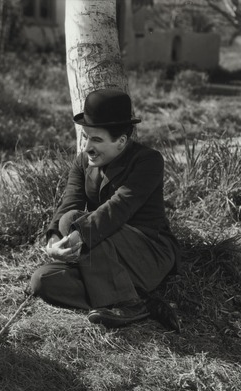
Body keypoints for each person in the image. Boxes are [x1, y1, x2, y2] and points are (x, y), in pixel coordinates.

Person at [30, 89, 180, 328]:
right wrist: (54, 242)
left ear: (121, 141)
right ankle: (140, 301)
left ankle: (128, 304)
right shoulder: (82, 162)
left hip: (146, 254)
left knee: (72, 220)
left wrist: (76, 236)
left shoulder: (148, 161)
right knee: (42, 281)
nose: (88, 147)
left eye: (97, 140)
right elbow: (70, 201)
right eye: (86, 137)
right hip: (99, 252)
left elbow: (118, 208)